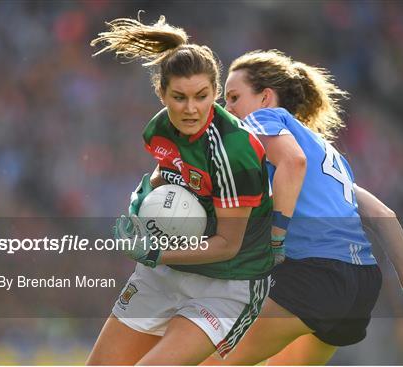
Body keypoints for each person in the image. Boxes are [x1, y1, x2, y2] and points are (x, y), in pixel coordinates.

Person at [202, 50, 403, 365]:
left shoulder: (261, 120)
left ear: (266, 98)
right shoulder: (329, 153)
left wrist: (275, 238)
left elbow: (292, 163)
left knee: (209, 360)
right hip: (361, 285)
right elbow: (382, 215)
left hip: (316, 275)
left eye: (234, 97)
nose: (227, 109)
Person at [86, 16, 275, 365]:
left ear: (215, 92)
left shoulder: (235, 152)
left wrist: (156, 252)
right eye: (179, 97)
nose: (191, 108)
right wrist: (140, 201)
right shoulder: (158, 129)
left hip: (227, 284)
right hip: (166, 274)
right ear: (162, 93)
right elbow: (165, 171)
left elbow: (227, 244)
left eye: (201, 97)